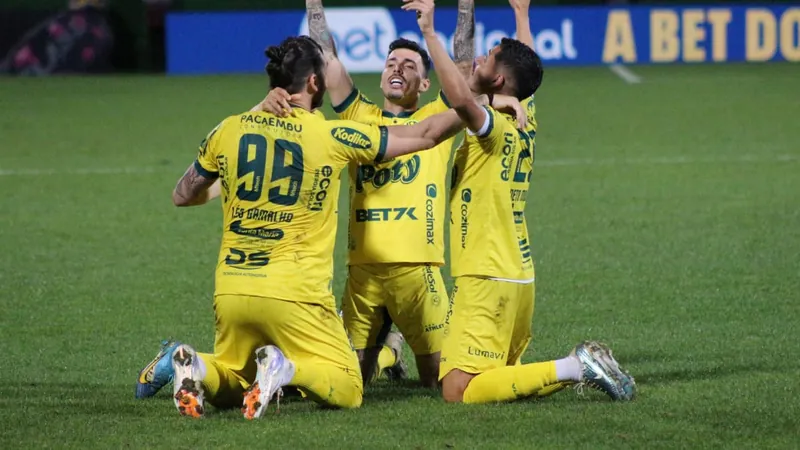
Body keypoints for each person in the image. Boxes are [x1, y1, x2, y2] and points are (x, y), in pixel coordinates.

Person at [138, 35, 464, 418]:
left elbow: (184, 194)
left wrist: (256, 113)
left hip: (232, 289)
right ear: (313, 83)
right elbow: (425, 134)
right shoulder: (329, 135)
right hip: (296, 294)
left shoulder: (229, 129)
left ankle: (194, 363)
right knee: (347, 384)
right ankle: (284, 367)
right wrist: (482, 108)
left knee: (234, 378)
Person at [257, 0, 524, 388]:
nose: (397, 68)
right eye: (391, 63)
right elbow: (326, 56)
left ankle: (392, 347)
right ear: (381, 75)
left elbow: (465, 69)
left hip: (420, 276)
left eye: (409, 65)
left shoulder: (436, 116)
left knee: (439, 381)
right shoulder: (357, 116)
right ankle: (389, 351)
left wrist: (465, 4)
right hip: (362, 274)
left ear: (426, 83)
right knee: (350, 381)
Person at [401, 0, 637, 403]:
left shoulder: (494, 129)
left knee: (458, 390)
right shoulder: (524, 117)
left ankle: (576, 366)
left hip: (486, 275)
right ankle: (570, 369)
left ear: (498, 83)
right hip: (518, 275)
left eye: (488, 59)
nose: (478, 59)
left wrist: (428, 33)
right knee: (498, 379)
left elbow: (460, 100)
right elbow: (524, 74)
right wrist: (522, 15)